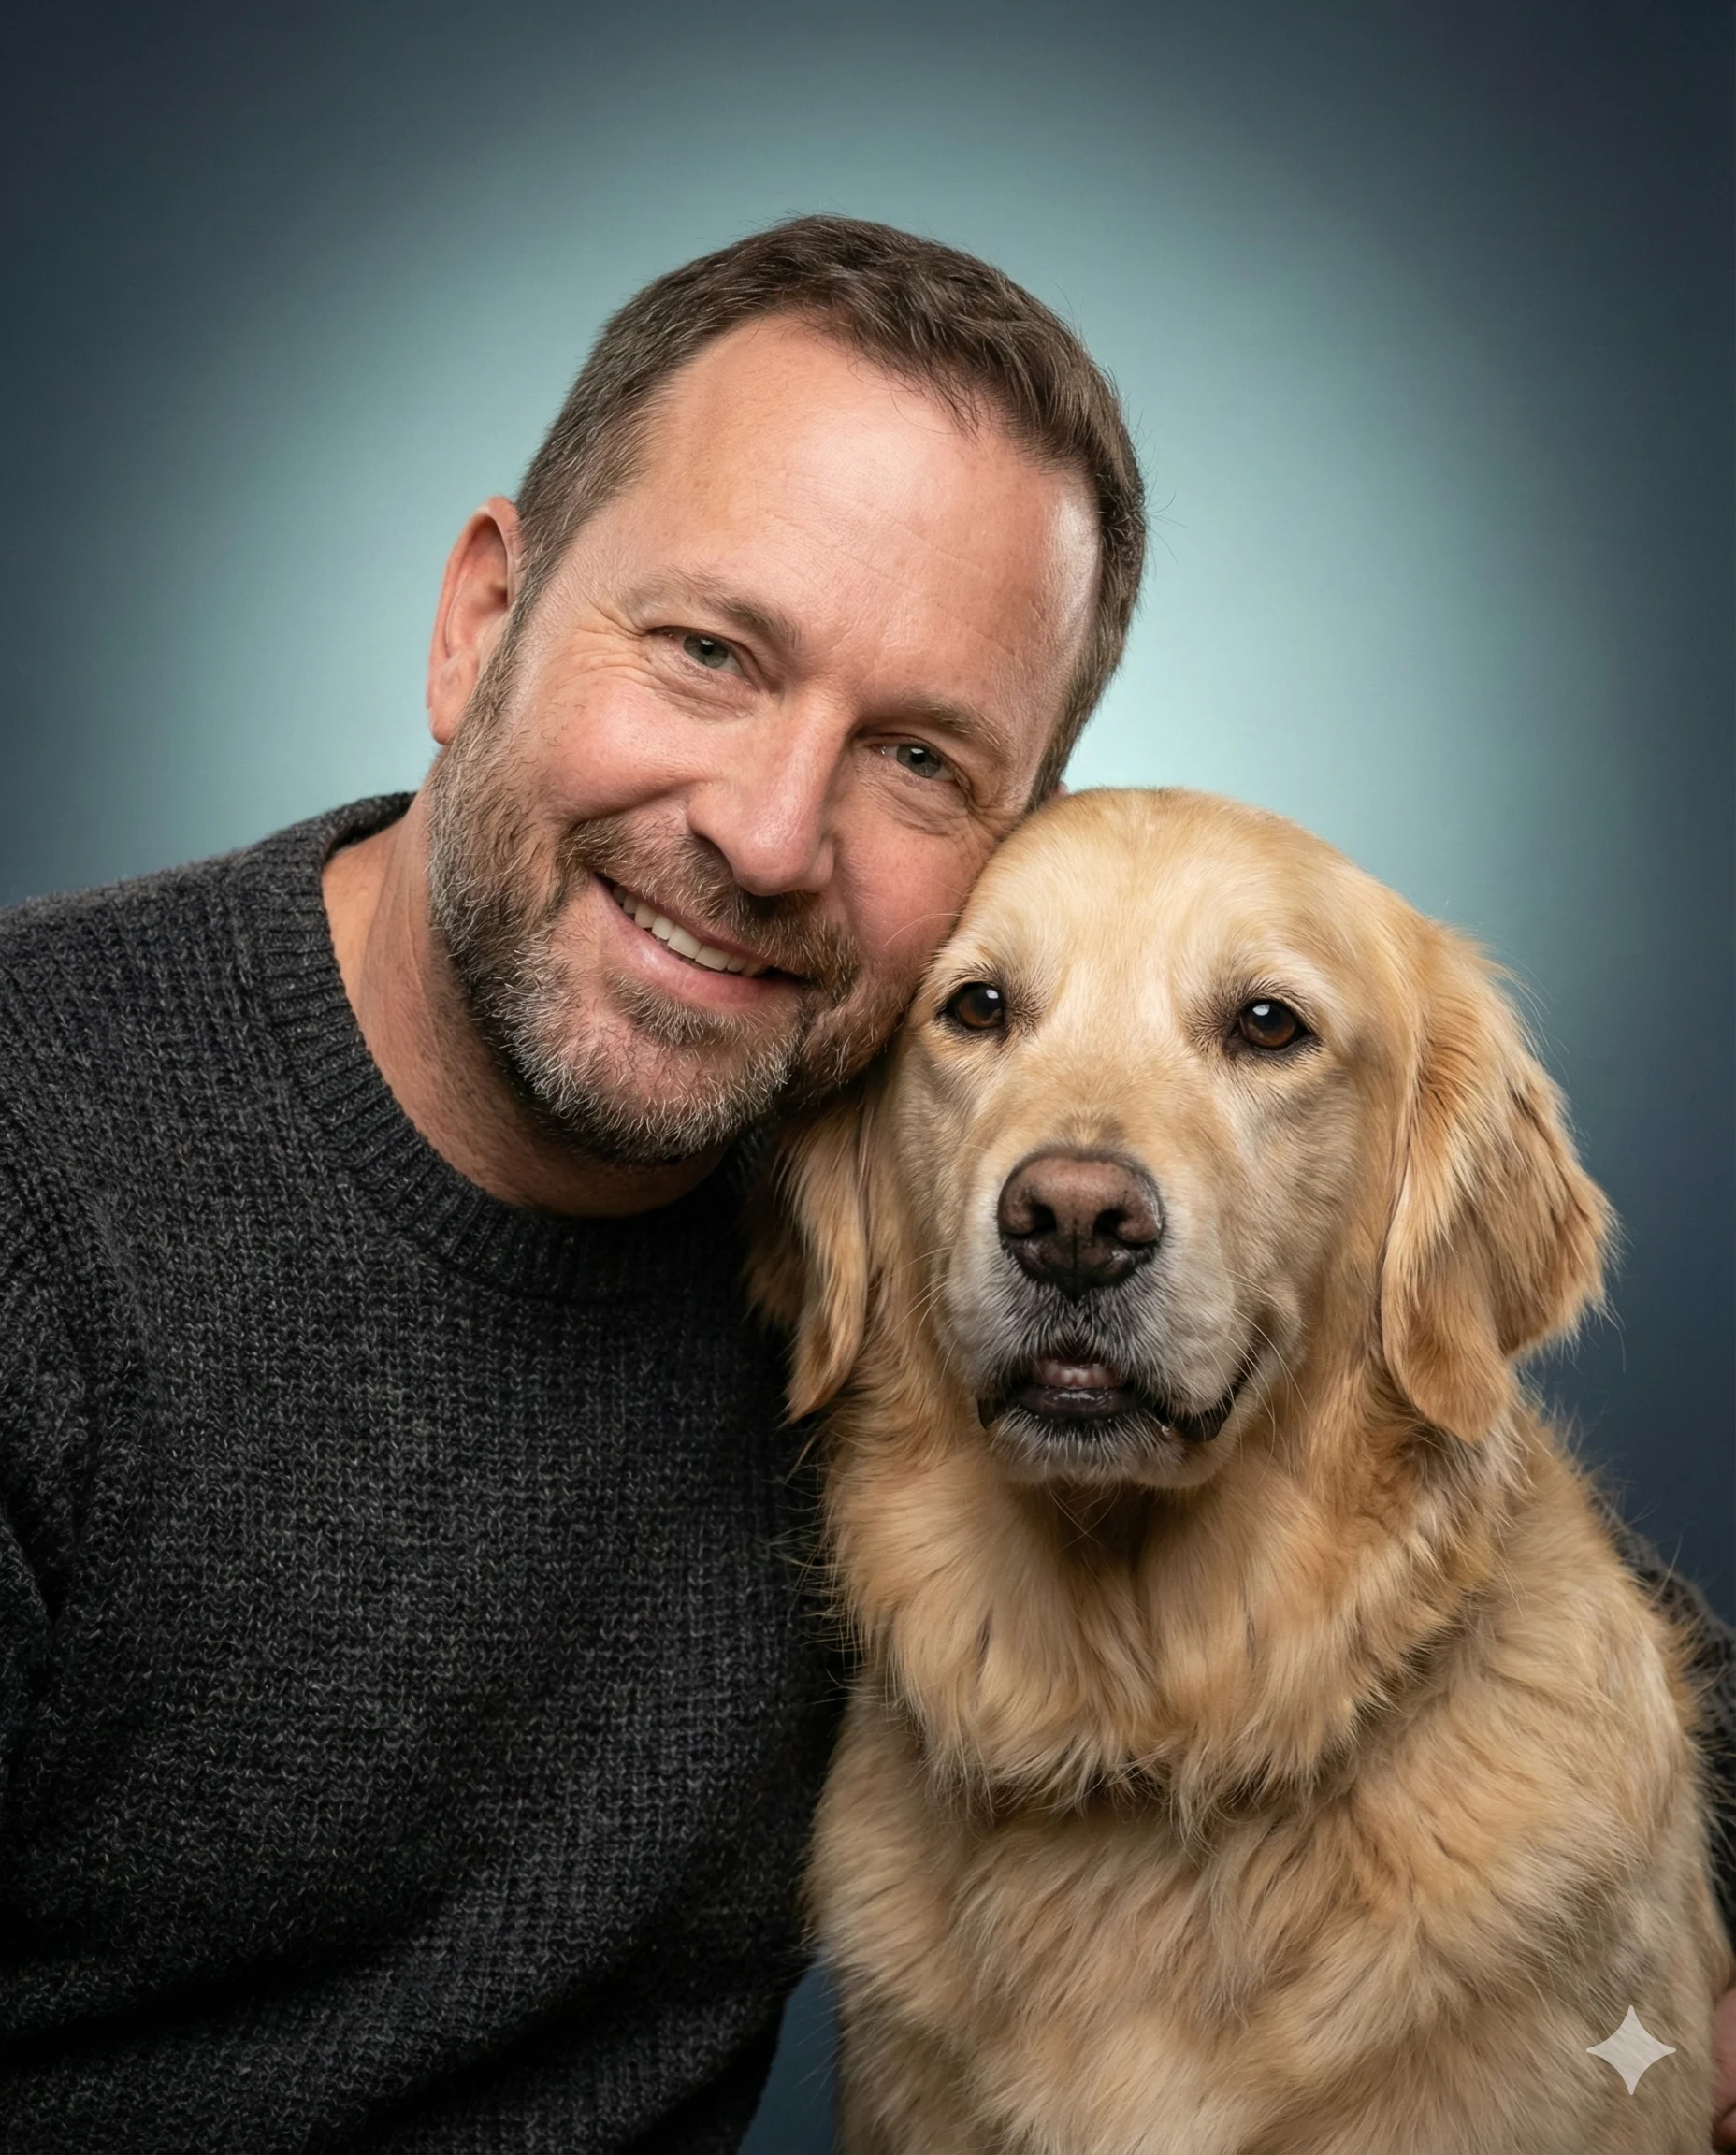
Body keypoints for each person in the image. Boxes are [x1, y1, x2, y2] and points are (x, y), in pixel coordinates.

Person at [0, 215, 1728, 2150]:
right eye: (708, 652)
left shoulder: (837, 1160)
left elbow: (1418, 1486)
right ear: (480, 614)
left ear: (1012, 825)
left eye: (916, 755)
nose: (761, 835)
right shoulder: (36, 1175)